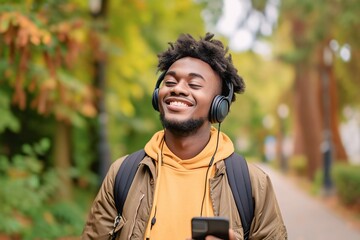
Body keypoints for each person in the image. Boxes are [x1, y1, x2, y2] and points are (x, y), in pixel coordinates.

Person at [82, 32, 287, 240]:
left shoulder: (252, 184)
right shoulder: (123, 174)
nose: (178, 89)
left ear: (219, 106)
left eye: (194, 85)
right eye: (170, 82)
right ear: (157, 96)